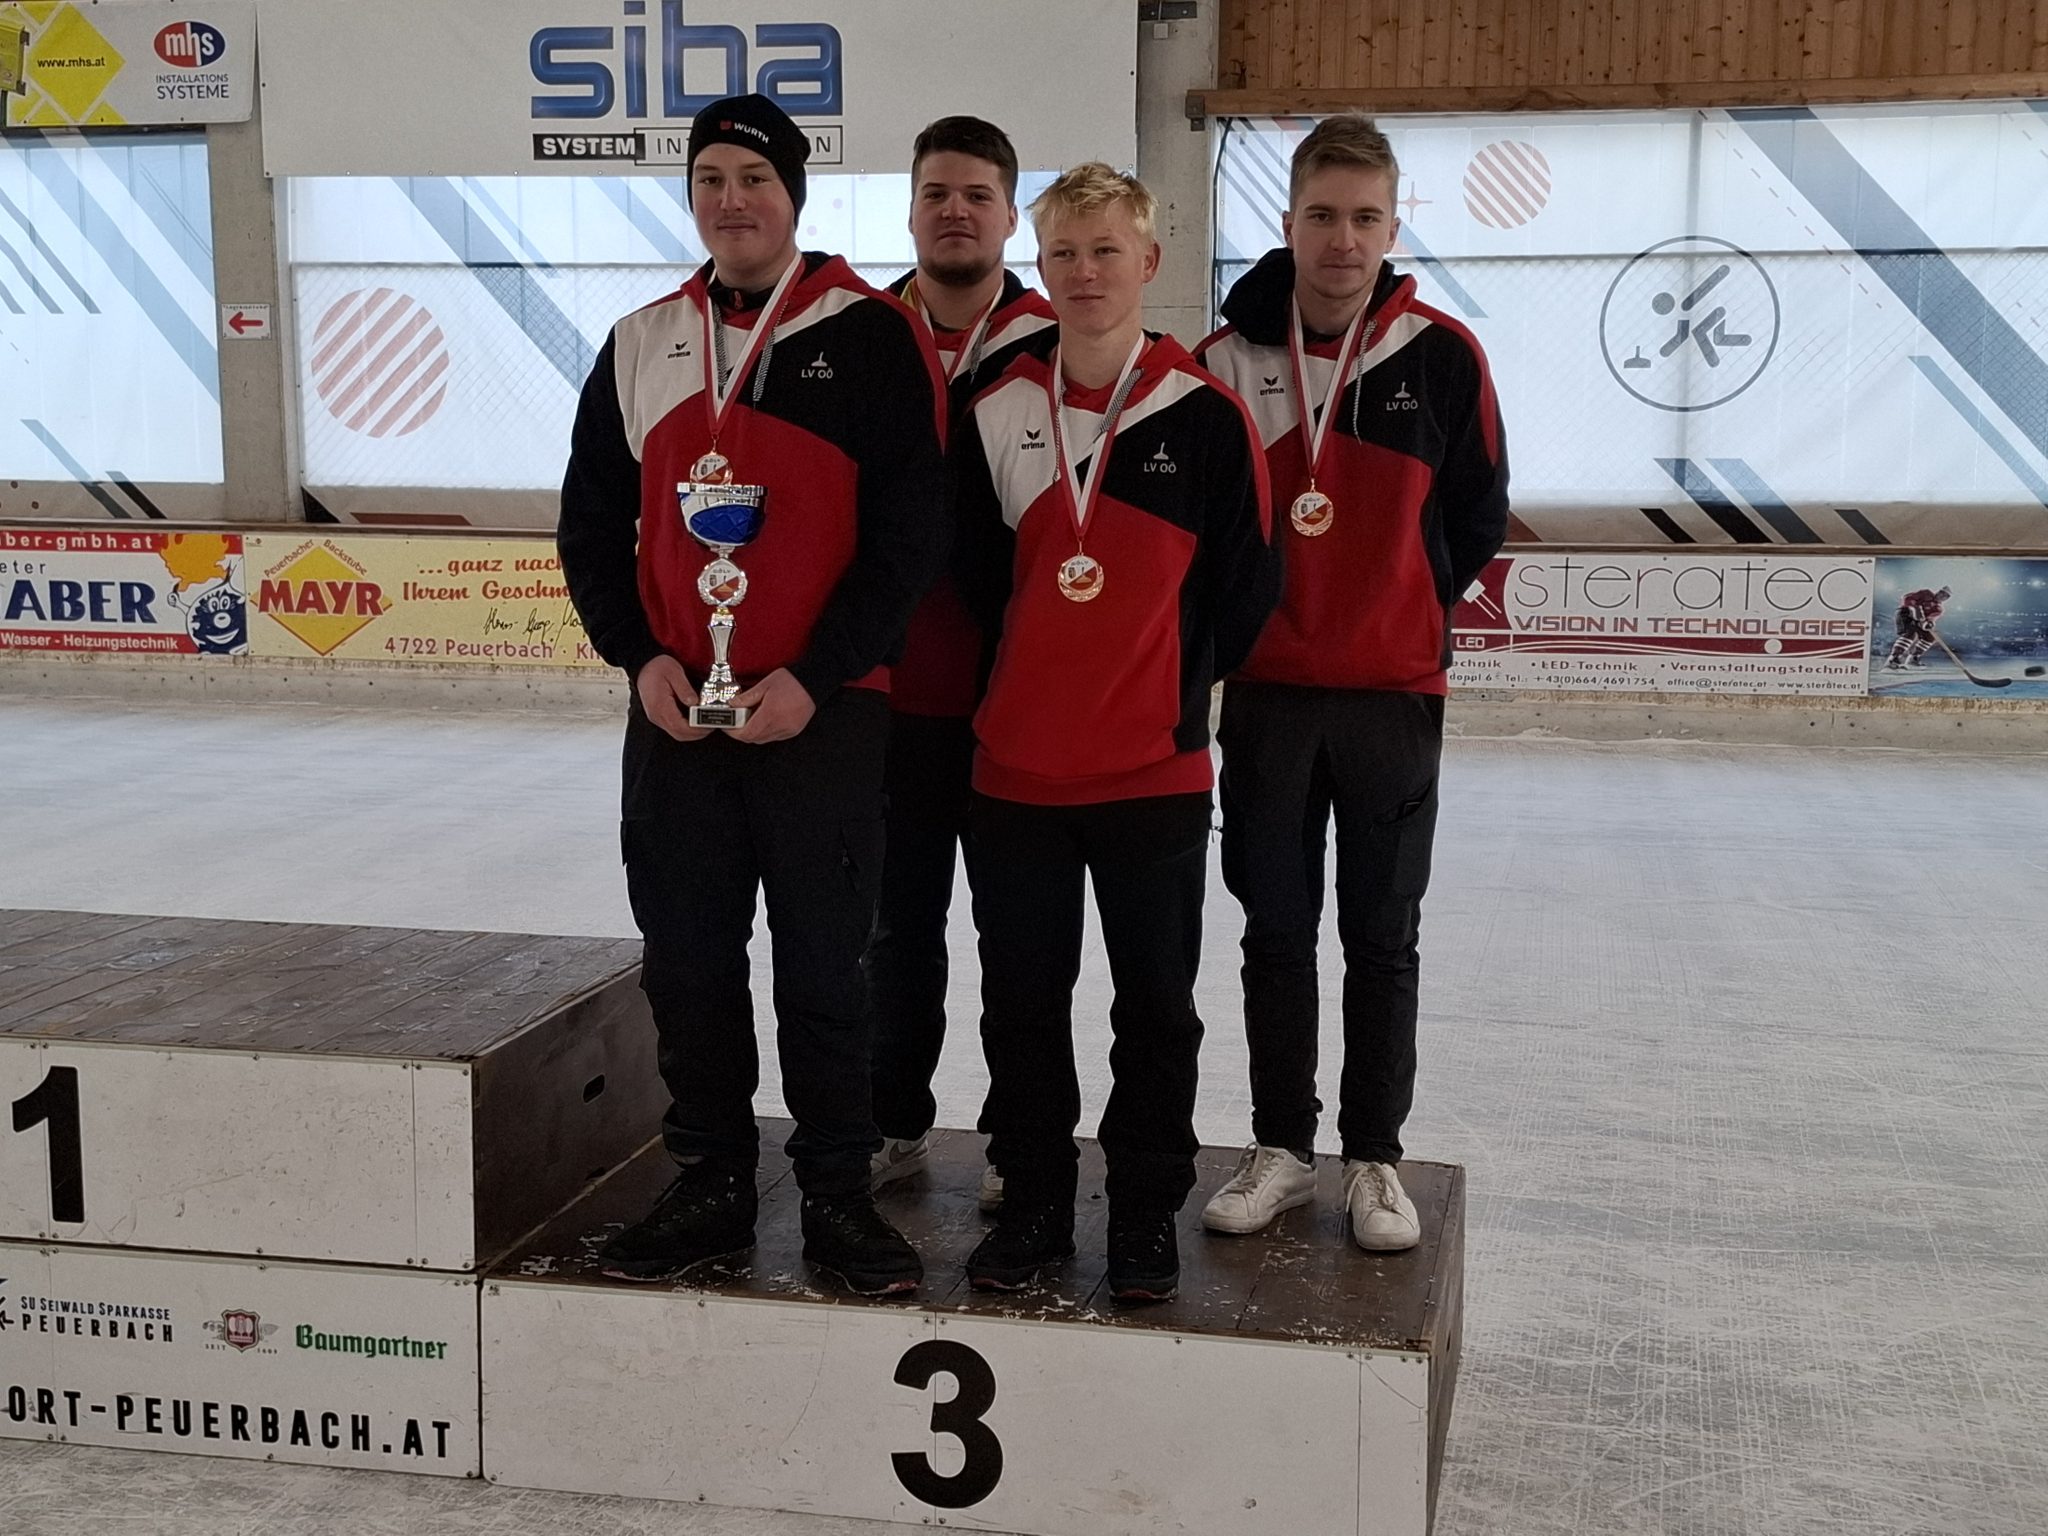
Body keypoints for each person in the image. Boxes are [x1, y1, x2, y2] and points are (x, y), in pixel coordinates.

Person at [557, 93, 947, 1296]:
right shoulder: (639, 342)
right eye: (711, 179)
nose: (732, 201)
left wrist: (816, 677)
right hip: (678, 715)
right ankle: (712, 1179)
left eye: (754, 179)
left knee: (827, 964)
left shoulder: (870, 334)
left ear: (794, 195)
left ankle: (835, 1192)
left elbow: (909, 537)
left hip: (822, 715)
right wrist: (640, 656)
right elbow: (587, 526)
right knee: (687, 961)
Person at [951, 163, 1279, 1302]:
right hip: (1014, 775)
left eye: (1105, 252)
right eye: (1063, 254)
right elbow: (969, 582)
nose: (1084, 273)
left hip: (1153, 772)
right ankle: (1035, 1201)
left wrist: (1168, 691)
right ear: (1038, 267)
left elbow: (1246, 586)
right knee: (1021, 1006)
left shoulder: (1205, 415)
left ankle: (1143, 1211)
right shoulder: (995, 406)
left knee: (1156, 1010)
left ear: (1148, 262)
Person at [1195, 115, 1509, 1252]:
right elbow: (1204, 530)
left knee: (1382, 936)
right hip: (1269, 695)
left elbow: (1478, 512)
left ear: (1391, 226)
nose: (1342, 240)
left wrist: (1401, 601)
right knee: (1275, 934)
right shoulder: (1223, 363)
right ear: (1286, 222)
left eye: (1364, 218)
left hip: (1392, 695)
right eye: (1322, 216)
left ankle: (1374, 1156)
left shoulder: (1442, 356)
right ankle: (1281, 1146)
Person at [868, 117, 1057, 1209]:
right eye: (936, 192)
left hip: (1011, 706)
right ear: (909, 210)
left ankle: (1015, 1140)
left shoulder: (1053, 341)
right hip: (885, 702)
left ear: (1008, 214)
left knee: (1016, 937)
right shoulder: (861, 338)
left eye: (977, 194)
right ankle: (891, 1122)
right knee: (893, 931)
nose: (955, 211)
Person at [1884, 584, 1950, 670]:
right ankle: (1893, 659)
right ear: (1938, 592)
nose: (1942, 596)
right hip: (1905, 614)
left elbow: (1929, 619)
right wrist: (1914, 607)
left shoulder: (1938, 609)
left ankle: (1913, 658)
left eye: (1946, 596)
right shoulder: (1926, 593)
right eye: (1942, 593)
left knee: (1929, 637)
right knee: (1910, 633)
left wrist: (1928, 623)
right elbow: (1907, 598)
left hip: (1918, 621)